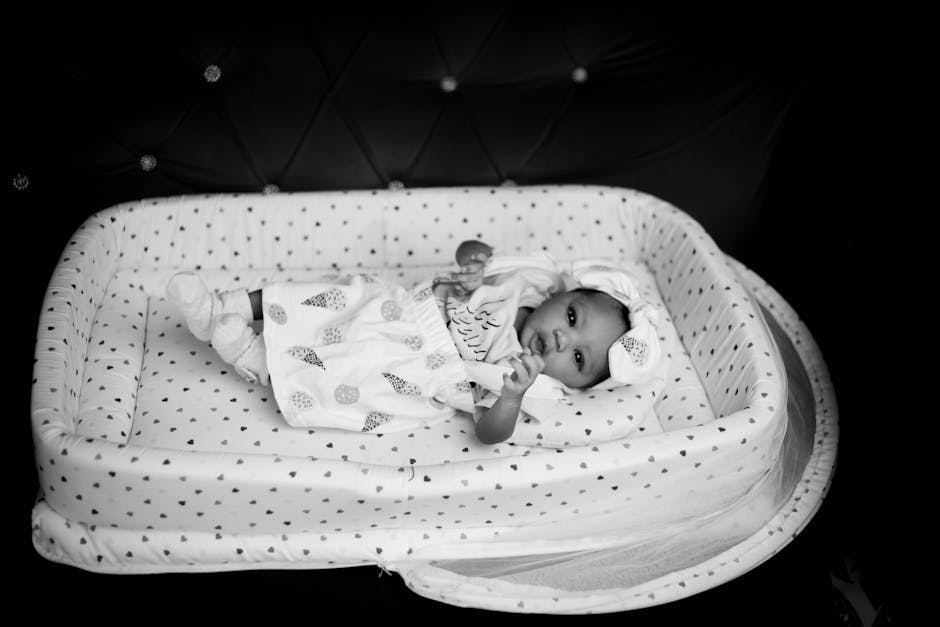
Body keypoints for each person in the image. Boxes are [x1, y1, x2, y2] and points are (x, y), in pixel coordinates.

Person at [166, 240, 663, 444]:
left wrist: (510, 396)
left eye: (577, 357)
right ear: (561, 292)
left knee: (352, 370)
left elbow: (490, 434)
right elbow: (469, 251)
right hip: (402, 307)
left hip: (417, 365)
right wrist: (475, 260)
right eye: (573, 315)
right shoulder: (522, 282)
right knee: (333, 297)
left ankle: (254, 358)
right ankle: (230, 305)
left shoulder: (529, 380)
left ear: (574, 384)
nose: (560, 337)